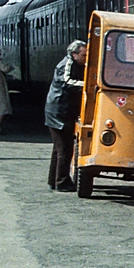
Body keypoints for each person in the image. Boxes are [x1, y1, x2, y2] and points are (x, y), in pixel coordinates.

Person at [45, 40, 87, 191]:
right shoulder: (66, 64)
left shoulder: (72, 63)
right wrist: (87, 85)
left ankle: (54, 180)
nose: (85, 58)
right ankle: (62, 182)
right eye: (83, 55)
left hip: (59, 110)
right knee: (65, 149)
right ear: (74, 54)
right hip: (58, 112)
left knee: (58, 149)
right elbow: (67, 82)